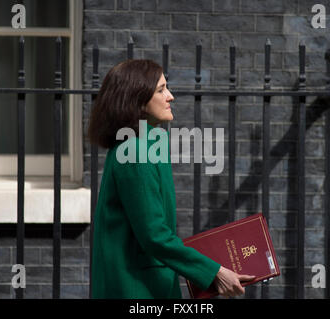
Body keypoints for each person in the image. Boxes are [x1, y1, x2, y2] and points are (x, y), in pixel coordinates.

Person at [87, 59, 255, 299]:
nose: (170, 96)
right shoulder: (135, 151)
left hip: (149, 281)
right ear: (138, 101)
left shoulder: (148, 143)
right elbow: (154, 235)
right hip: (135, 288)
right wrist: (213, 272)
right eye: (161, 90)